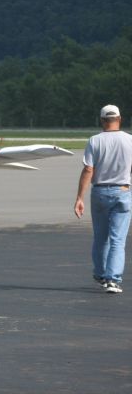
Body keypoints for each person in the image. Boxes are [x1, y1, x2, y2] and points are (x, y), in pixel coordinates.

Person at [74, 105, 132, 294]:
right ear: (119, 119)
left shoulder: (94, 140)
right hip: (123, 191)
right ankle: (113, 280)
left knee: (101, 238)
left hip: (99, 192)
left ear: (102, 121)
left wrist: (79, 198)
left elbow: (88, 169)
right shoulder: (129, 140)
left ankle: (100, 274)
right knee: (118, 239)